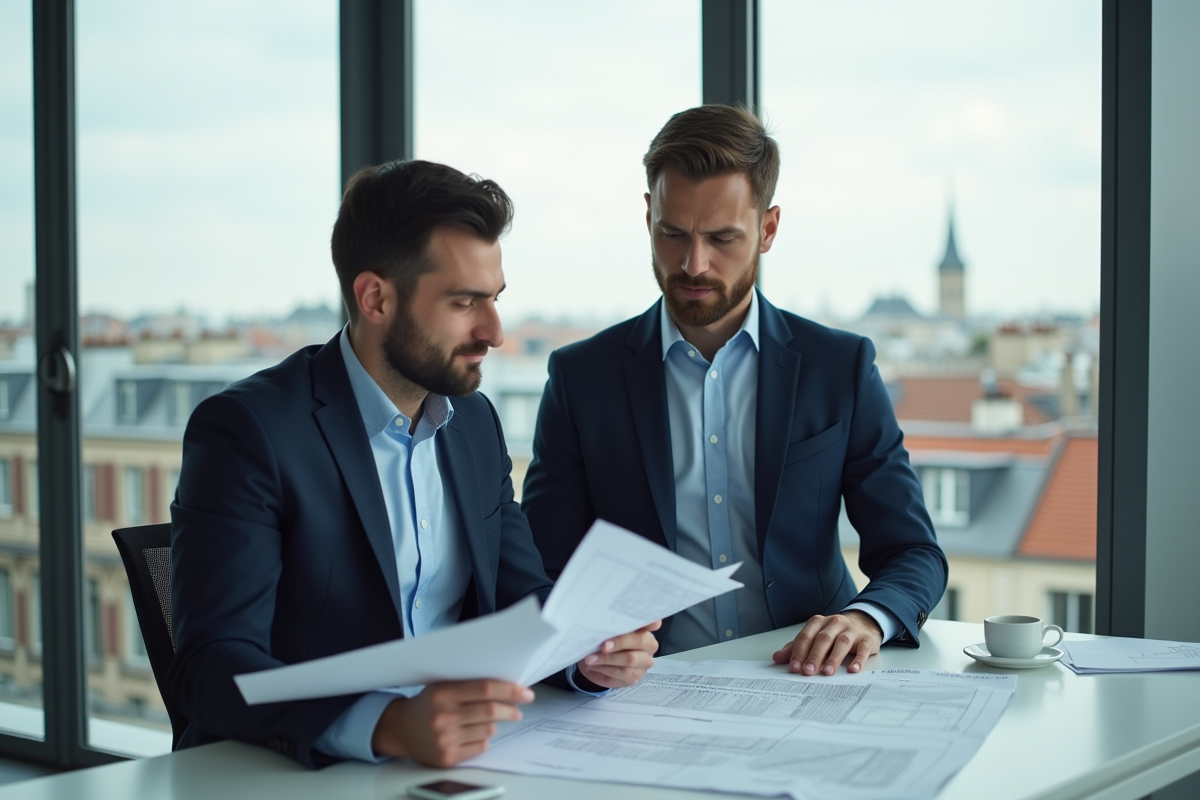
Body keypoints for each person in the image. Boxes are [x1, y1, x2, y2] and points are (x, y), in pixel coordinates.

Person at [168, 160, 659, 770]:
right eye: (463, 302)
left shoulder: (472, 423)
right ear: (375, 297)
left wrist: (586, 654)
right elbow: (211, 666)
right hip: (295, 772)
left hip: (466, 761)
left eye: (496, 299)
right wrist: (387, 725)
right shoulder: (249, 432)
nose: (495, 331)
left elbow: (521, 599)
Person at [522, 105, 947, 678]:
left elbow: (913, 551)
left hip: (810, 682)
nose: (693, 263)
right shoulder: (581, 378)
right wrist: (582, 663)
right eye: (672, 234)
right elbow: (542, 570)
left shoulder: (838, 366)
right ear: (648, 215)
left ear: (768, 229)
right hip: (646, 696)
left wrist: (868, 618)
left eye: (723, 238)